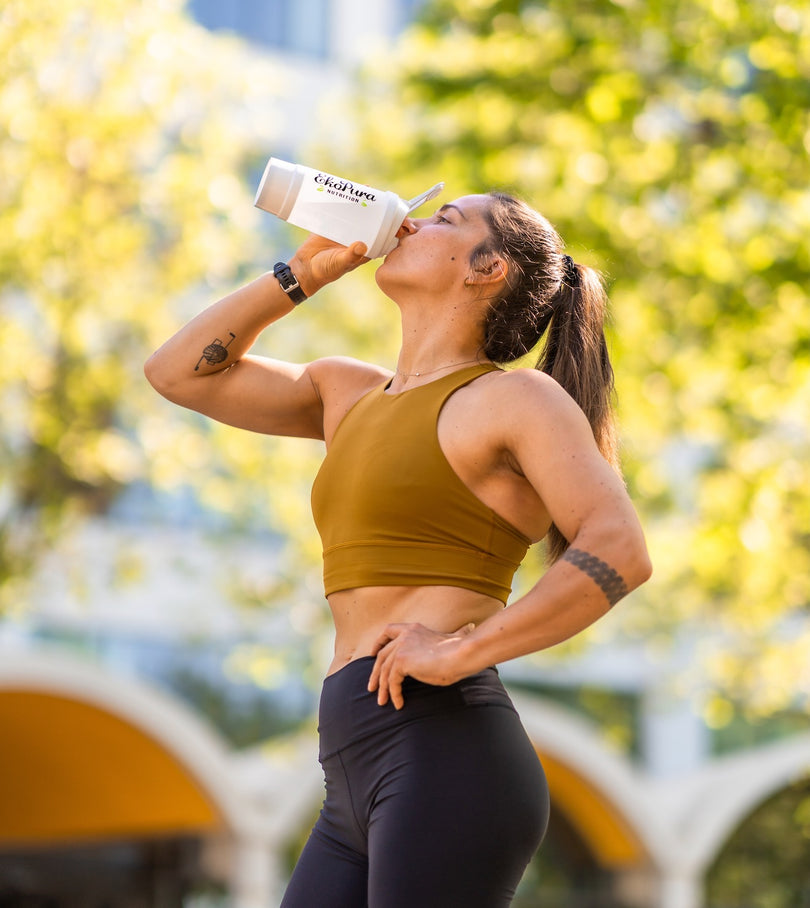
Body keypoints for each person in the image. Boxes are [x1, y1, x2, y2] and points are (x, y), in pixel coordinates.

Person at [145, 190, 652, 907]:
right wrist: (301, 275)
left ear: (487, 268)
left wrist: (462, 651)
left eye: (446, 220)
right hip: (352, 761)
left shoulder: (517, 402)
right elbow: (176, 374)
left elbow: (620, 549)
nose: (411, 223)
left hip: (445, 752)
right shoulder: (346, 392)